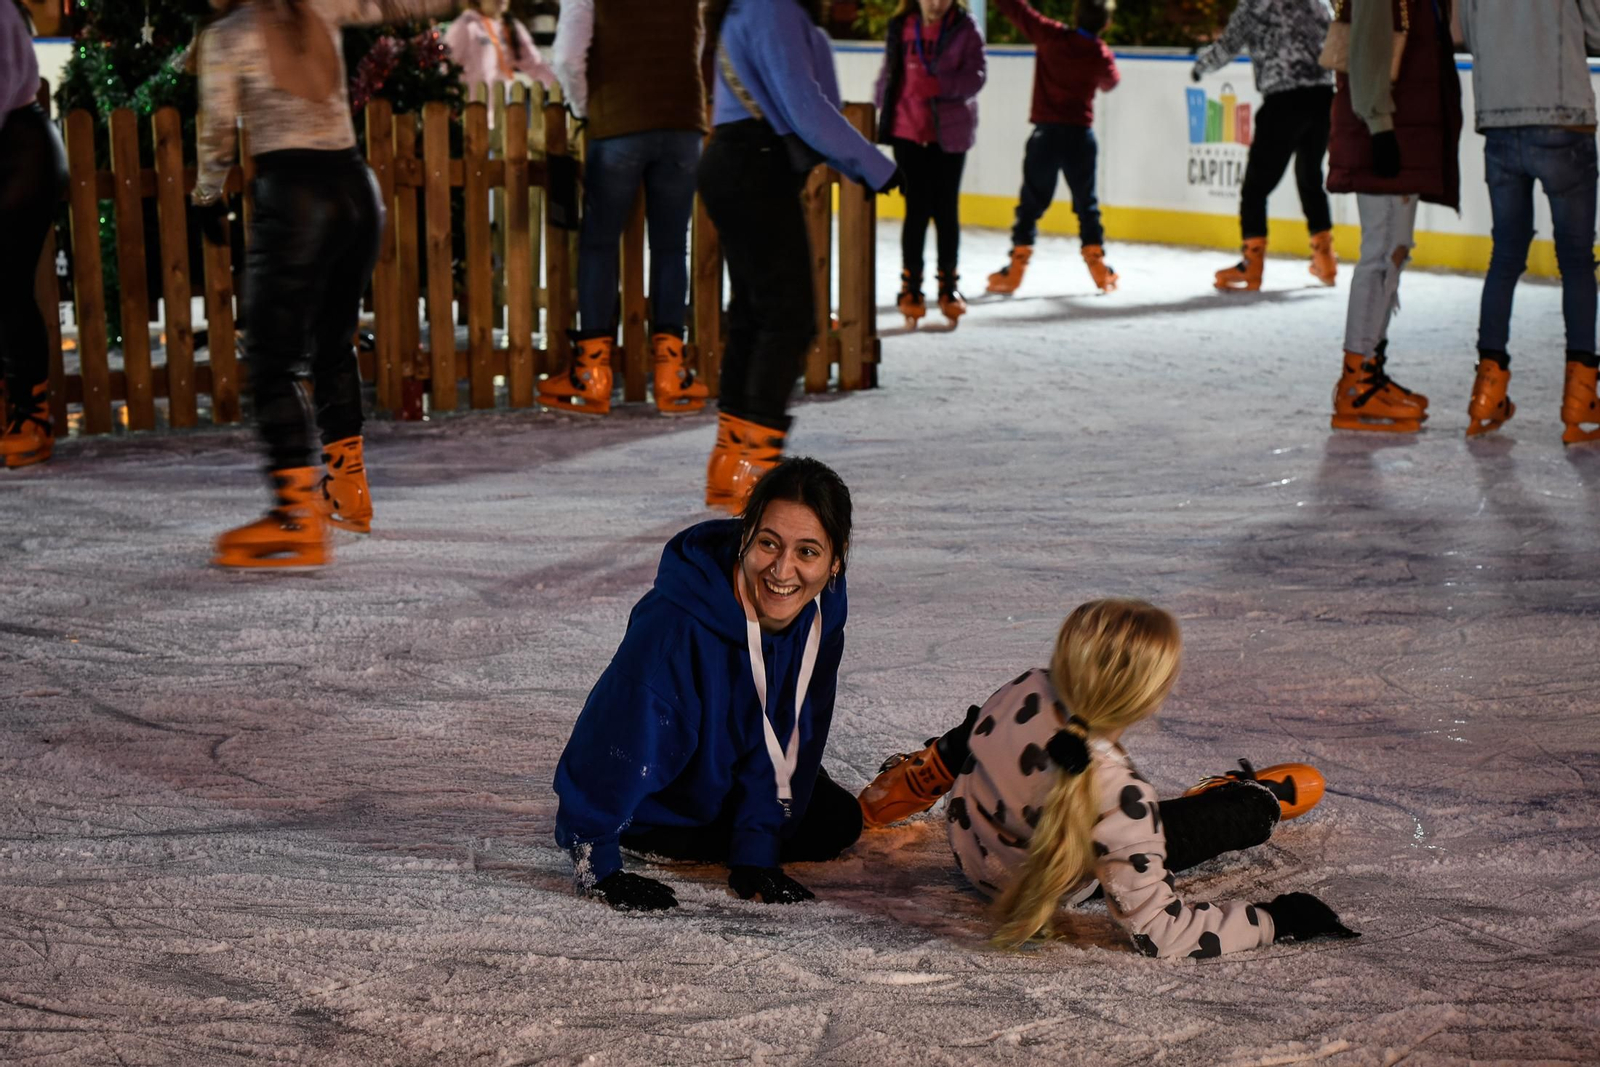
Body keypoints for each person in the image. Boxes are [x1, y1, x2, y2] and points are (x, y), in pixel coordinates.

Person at [858, 598, 1357, 955]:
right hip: (1043, 879)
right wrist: (1278, 919)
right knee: (1189, 828)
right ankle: (1250, 800)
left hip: (972, 858)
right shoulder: (1123, 798)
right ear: (1149, 698)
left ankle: (930, 765)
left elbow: (984, 737)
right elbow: (1164, 932)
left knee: (1108, 815)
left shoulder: (1023, 687)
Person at [195, 0, 456, 567]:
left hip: (296, 193)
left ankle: (295, 516)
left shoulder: (229, 33)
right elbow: (397, 3)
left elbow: (217, 124)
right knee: (332, 339)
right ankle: (347, 490)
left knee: (271, 353)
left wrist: (207, 195)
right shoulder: (320, 5)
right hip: (357, 191)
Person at [553, 458, 859, 911]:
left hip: (728, 770)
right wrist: (596, 859)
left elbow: (795, 724)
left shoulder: (822, 611)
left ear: (836, 558)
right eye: (768, 543)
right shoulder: (675, 628)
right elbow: (614, 743)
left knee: (835, 820)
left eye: (807, 552)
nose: (782, 571)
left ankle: (747, 818)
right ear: (745, 535)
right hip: (659, 804)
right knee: (818, 815)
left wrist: (756, 848)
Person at [700, 0, 899, 513]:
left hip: (735, 161)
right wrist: (878, 167)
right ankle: (755, 469)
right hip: (754, 165)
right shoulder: (772, 6)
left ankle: (730, 461)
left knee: (755, 315)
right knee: (787, 318)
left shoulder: (750, 7)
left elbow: (803, 107)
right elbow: (805, 106)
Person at [542, 0, 708, 417]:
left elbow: (566, 56)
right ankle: (672, 373)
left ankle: (592, 374)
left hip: (619, 122)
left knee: (599, 243)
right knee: (672, 247)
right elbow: (698, 42)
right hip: (683, 121)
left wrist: (584, 107)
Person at [1458, 0, 1600, 443]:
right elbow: (1596, 29)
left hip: (1499, 118)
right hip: (1563, 118)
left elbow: (1465, 34)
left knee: (1504, 257)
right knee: (1576, 261)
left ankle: (1487, 392)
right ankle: (1581, 398)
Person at [1325, 0, 1460, 434]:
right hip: (1384, 132)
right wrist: (1380, 126)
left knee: (1392, 256)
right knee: (1382, 254)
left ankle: (1369, 370)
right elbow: (1367, 47)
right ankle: (1356, 383)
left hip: (1399, 130)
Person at [1193, 0, 1339, 291]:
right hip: (1324, 97)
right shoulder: (1319, 2)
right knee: (1310, 176)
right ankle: (1326, 260)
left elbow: (1229, 44)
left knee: (1255, 188)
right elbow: (1337, 35)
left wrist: (1201, 66)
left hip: (1284, 101)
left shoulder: (1257, 4)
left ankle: (1252, 264)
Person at [985, 0, 1120, 298]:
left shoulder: (1051, 36)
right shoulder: (1099, 53)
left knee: (1031, 204)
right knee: (1087, 204)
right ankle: (1098, 268)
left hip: (1046, 136)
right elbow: (1111, 81)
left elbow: (1019, 11)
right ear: (1106, 24)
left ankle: (1016, 270)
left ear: (1075, 13)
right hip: (1080, 138)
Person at [874, 0, 986, 330]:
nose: (936, 4)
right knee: (916, 211)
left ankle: (948, 286)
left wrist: (941, 87)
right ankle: (911, 287)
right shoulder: (901, 27)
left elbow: (976, 77)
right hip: (907, 133)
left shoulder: (966, 30)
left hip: (949, 136)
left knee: (945, 210)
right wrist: (880, 104)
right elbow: (888, 72)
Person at [0, 0, 68, 469]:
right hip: (18, 144)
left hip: (20, 150)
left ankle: (32, 416)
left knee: (6, 283)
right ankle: (21, 412)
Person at [443, 0, 558, 120]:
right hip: (470, 117)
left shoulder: (510, 26)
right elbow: (446, 68)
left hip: (502, 116)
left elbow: (536, 65)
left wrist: (562, 89)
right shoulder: (465, 26)